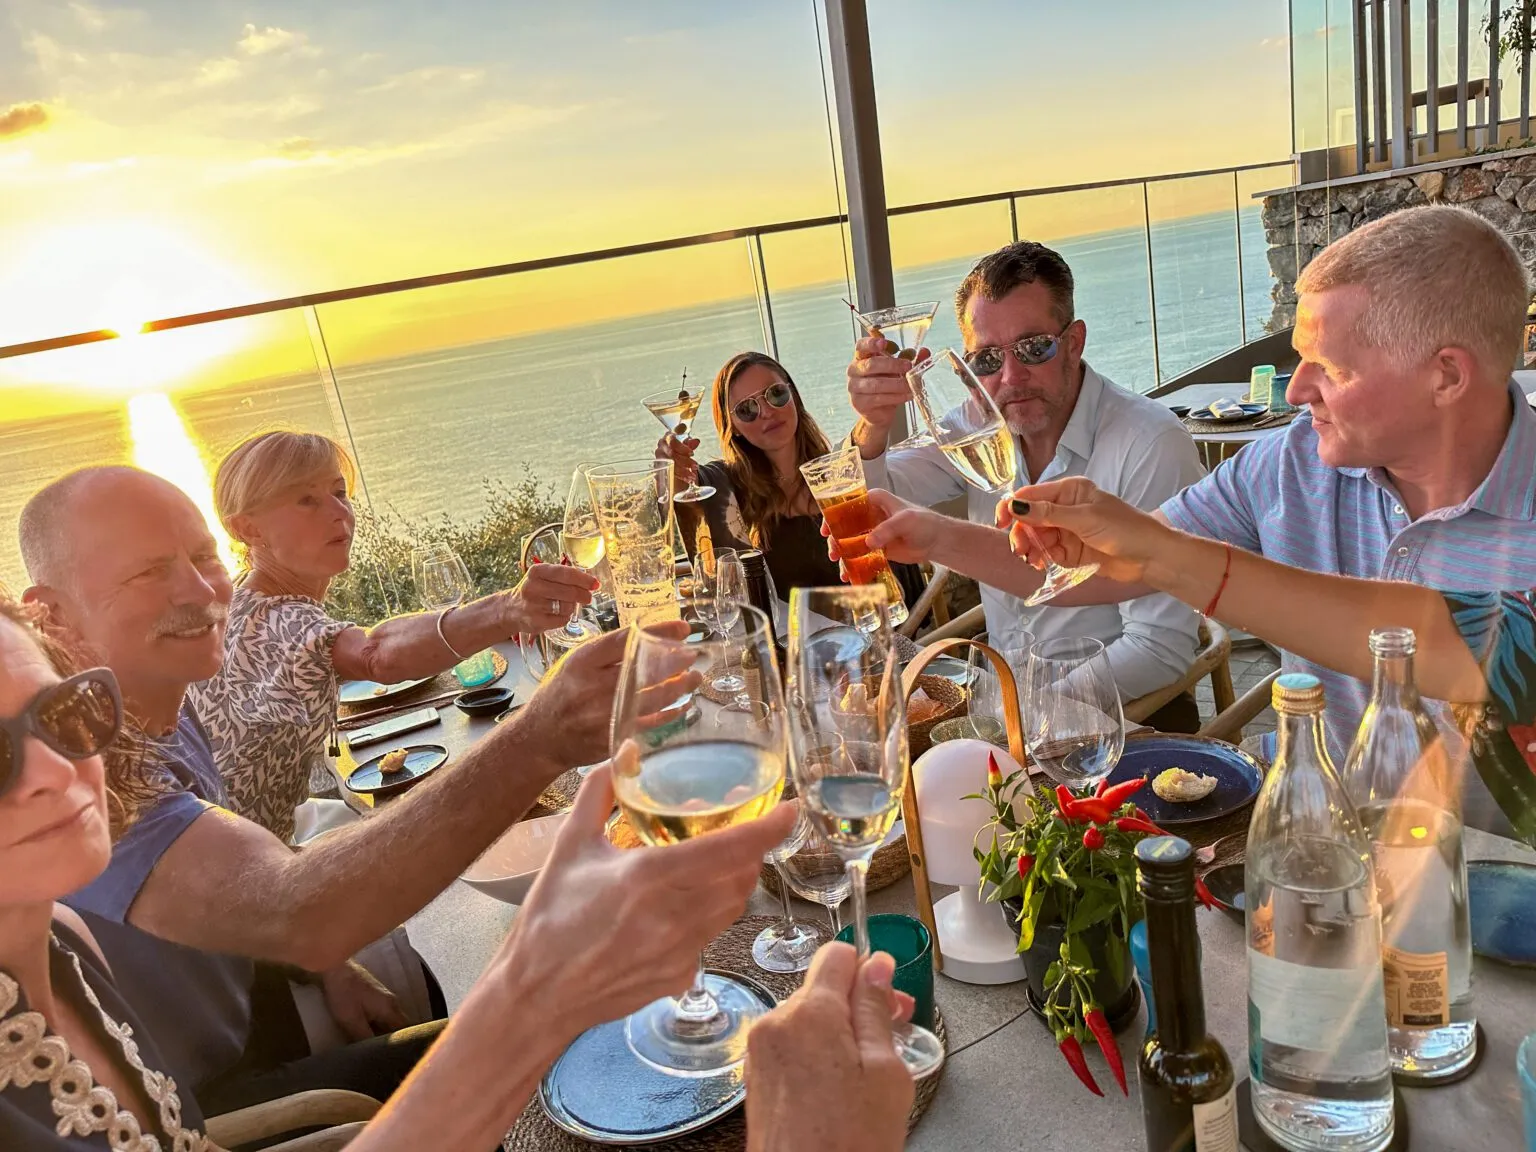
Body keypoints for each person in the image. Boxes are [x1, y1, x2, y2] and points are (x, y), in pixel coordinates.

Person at [0, 593, 815, 1150]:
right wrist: (536, 984)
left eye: (62, 712)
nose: (48, 768)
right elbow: (290, 906)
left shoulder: (59, 938)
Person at [15, 465, 631, 1111]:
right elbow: (296, 913)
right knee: (561, 1035)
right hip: (196, 1101)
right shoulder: (70, 771)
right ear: (48, 612)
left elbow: (246, 893)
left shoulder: (162, 697)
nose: (198, 590)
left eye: (202, 558)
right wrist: (541, 737)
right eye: (148, 572)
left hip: (255, 999)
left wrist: (326, 967)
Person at [992, 475, 1536, 847]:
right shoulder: (1288, 458)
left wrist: (1159, 554)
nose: (1295, 388)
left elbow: (1463, 638)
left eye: (1331, 364)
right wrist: (934, 535)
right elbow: (1106, 564)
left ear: (1447, 372)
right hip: (1324, 827)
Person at [843, 242, 1206, 731]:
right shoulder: (979, 424)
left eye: (1035, 348)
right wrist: (873, 424)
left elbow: (1159, 645)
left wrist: (1028, 715)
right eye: (988, 359)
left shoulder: (1149, 442)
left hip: (1129, 720)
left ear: (1074, 342)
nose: (1011, 376)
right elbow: (875, 493)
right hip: (1010, 706)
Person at [185, 431, 595, 842]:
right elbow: (376, 654)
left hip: (236, 847)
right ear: (247, 529)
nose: (338, 513)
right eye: (306, 500)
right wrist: (508, 608)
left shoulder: (242, 597)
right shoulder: (278, 622)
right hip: (239, 873)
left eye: (339, 492)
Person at [659, 350, 922, 605]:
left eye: (775, 394)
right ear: (733, 427)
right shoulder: (730, 485)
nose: (766, 412)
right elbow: (686, 493)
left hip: (880, 621)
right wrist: (671, 465)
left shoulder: (835, 474)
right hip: (796, 640)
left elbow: (864, 444)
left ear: (793, 396)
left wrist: (875, 417)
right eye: (746, 409)